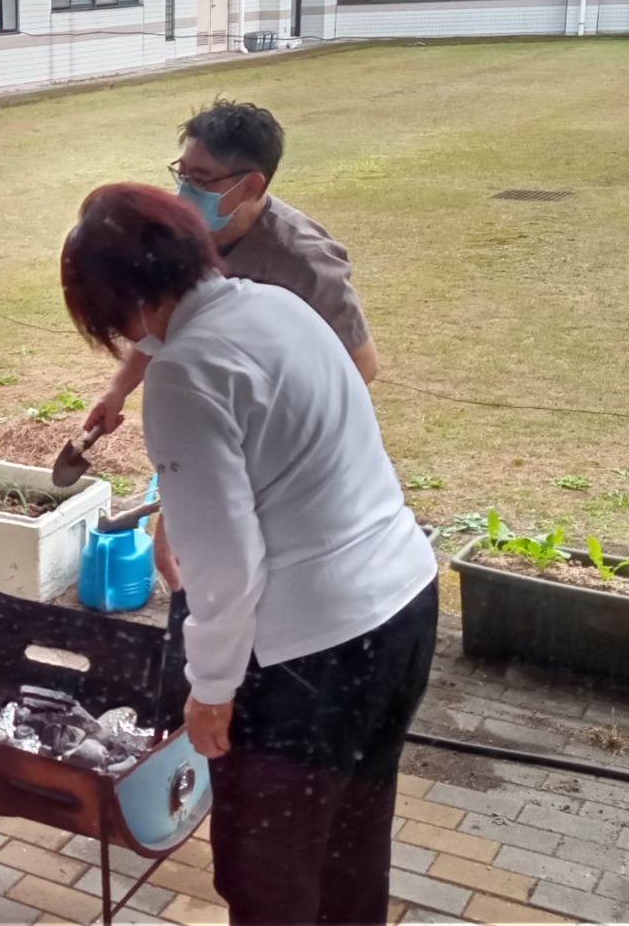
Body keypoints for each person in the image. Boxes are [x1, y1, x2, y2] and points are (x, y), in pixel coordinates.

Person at [60, 184, 439, 925]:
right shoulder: (276, 306)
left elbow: (224, 570)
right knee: (351, 845)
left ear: (123, 300)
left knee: (268, 877)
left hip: (310, 654)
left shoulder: (184, 372)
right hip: (401, 609)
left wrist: (211, 689)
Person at [83, 100, 378, 594]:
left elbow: (360, 366)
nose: (185, 190)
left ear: (251, 185)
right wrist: (118, 390)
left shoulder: (303, 262)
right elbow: (164, 317)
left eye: (201, 180)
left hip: (280, 472)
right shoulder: (182, 232)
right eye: (182, 173)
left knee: (252, 582)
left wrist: (245, 451)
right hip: (214, 441)